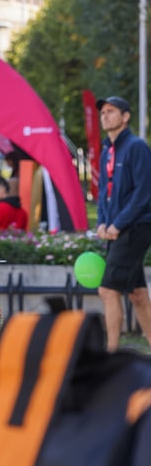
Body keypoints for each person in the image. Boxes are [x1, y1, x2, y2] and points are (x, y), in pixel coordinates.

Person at [95, 95, 151, 351]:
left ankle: (111, 356)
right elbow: (105, 191)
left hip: (136, 227)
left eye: (111, 111)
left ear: (125, 116)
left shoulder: (137, 147)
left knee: (107, 291)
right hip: (117, 229)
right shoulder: (108, 149)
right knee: (137, 294)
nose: (104, 115)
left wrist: (117, 224)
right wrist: (102, 222)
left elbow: (144, 193)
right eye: (103, 112)